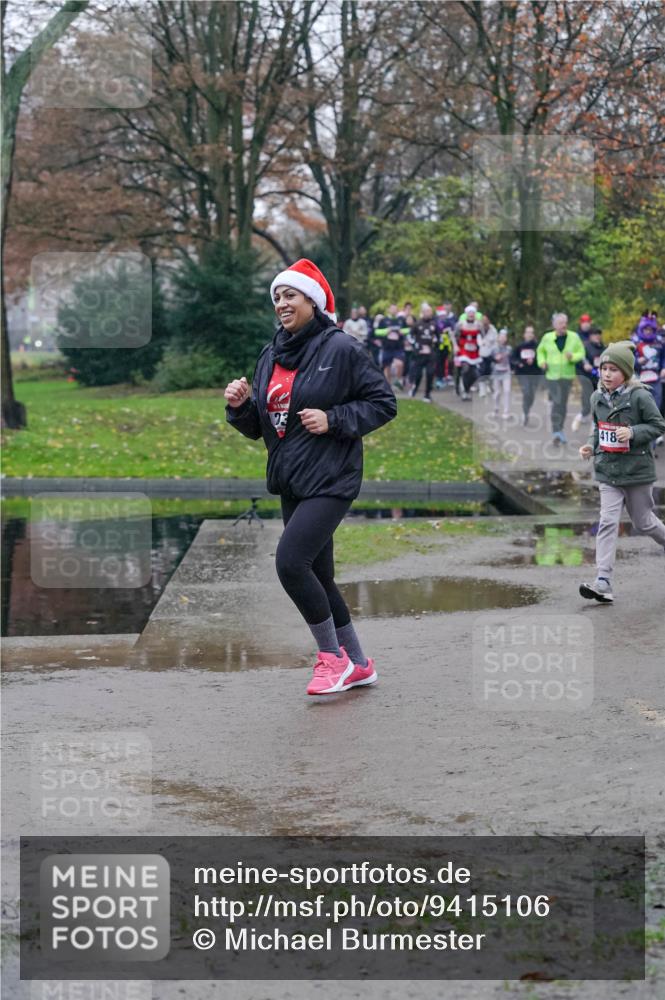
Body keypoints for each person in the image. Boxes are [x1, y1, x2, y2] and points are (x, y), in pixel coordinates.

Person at [224, 258, 397, 694]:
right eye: (277, 297)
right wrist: (241, 407)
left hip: (331, 478)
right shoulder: (271, 354)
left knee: (290, 563)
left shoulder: (341, 348)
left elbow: (383, 403)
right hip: (291, 480)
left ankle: (331, 659)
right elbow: (264, 427)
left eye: (291, 295)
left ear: (313, 302)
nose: (282, 303)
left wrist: (334, 418)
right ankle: (358, 663)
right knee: (319, 576)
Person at [578, 341, 665, 603]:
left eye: (613, 369)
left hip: (637, 472)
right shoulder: (596, 397)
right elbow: (598, 428)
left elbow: (658, 425)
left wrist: (634, 432)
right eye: (604, 368)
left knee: (644, 522)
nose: (607, 374)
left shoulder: (640, 396)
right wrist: (590, 448)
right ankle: (602, 580)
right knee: (607, 522)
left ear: (625, 373)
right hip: (608, 472)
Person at [536, 312, 585, 444]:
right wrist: (542, 362)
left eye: (565, 322)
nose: (564, 325)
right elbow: (540, 351)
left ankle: (560, 429)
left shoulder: (574, 337)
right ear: (554, 325)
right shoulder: (547, 337)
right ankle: (556, 430)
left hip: (567, 376)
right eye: (560, 323)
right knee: (557, 401)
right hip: (552, 376)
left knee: (562, 404)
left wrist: (573, 357)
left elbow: (581, 352)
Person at [572, 327, 605, 432]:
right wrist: (584, 365)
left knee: (598, 403)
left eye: (599, 334)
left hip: (598, 378)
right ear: (590, 336)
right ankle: (578, 418)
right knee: (587, 403)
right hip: (586, 377)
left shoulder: (603, 348)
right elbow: (578, 360)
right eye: (595, 334)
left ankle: (594, 428)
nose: (597, 336)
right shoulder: (585, 347)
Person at [632, 313, 665, 414]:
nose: (648, 332)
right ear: (642, 329)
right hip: (639, 378)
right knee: (640, 405)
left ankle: (654, 426)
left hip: (656, 378)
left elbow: (663, 357)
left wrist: (664, 367)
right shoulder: (635, 343)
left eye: (650, 329)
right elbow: (628, 361)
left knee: (657, 404)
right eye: (646, 329)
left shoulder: (659, 343)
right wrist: (637, 362)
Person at [511, 324, 542, 425]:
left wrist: (535, 360)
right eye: (528, 332)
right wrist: (519, 363)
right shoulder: (519, 347)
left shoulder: (538, 347)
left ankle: (526, 410)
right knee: (526, 391)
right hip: (523, 373)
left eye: (531, 332)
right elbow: (512, 358)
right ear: (524, 335)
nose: (529, 334)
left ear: (533, 335)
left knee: (531, 395)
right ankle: (525, 413)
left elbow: (542, 358)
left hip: (535, 374)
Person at [409, 303, 439, 401]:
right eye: (426, 311)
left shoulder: (434, 324)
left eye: (429, 311)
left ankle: (427, 394)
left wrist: (436, 342)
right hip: (420, 353)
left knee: (430, 373)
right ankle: (415, 389)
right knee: (418, 374)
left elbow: (439, 337)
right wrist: (416, 345)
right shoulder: (417, 324)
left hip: (430, 353)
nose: (428, 313)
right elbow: (410, 336)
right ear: (422, 312)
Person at [454, 304, 483, 399]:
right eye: (469, 313)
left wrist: (482, 344)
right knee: (465, 369)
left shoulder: (479, 325)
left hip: (475, 352)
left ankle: (467, 387)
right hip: (463, 350)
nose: (471, 314)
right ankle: (463, 389)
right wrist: (455, 347)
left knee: (475, 373)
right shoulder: (460, 324)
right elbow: (455, 337)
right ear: (466, 314)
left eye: (473, 313)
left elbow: (482, 337)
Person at [374, 304, 406, 389]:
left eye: (395, 309)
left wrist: (401, 331)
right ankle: (388, 387)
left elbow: (408, 330)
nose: (393, 310)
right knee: (386, 367)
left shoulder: (401, 320)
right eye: (392, 309)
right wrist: (386, 331)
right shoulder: (383, 320)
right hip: (387, 347)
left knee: (399, 364)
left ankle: (398, 380)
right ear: (389, 310)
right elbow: (377, 332)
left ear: (397, 310)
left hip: (398, 347)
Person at [490, 328, 512, 419]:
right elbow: (490, 360)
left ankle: (506, 411)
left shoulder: (509, 348)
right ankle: (496, 409)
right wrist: (495, 359)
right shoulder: (494, 349)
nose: (503, 339)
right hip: (496, 372)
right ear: (498, 338)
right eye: (501, 337)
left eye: (504, 337)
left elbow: (509, 357)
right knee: (497, 392)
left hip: (506, 371)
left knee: (507, 391)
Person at [478, 314, 498, 399]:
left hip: (490, 353)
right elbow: (477, 340)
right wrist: (481, 344)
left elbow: (496, 341)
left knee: (490, 370)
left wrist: (493, 349)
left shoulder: (493, 330)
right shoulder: (478, 330)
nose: (484, 322)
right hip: (481, 353)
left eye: (486, 320)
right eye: (483, 320)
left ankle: (489, 385)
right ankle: (482, 389)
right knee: (482, 370)